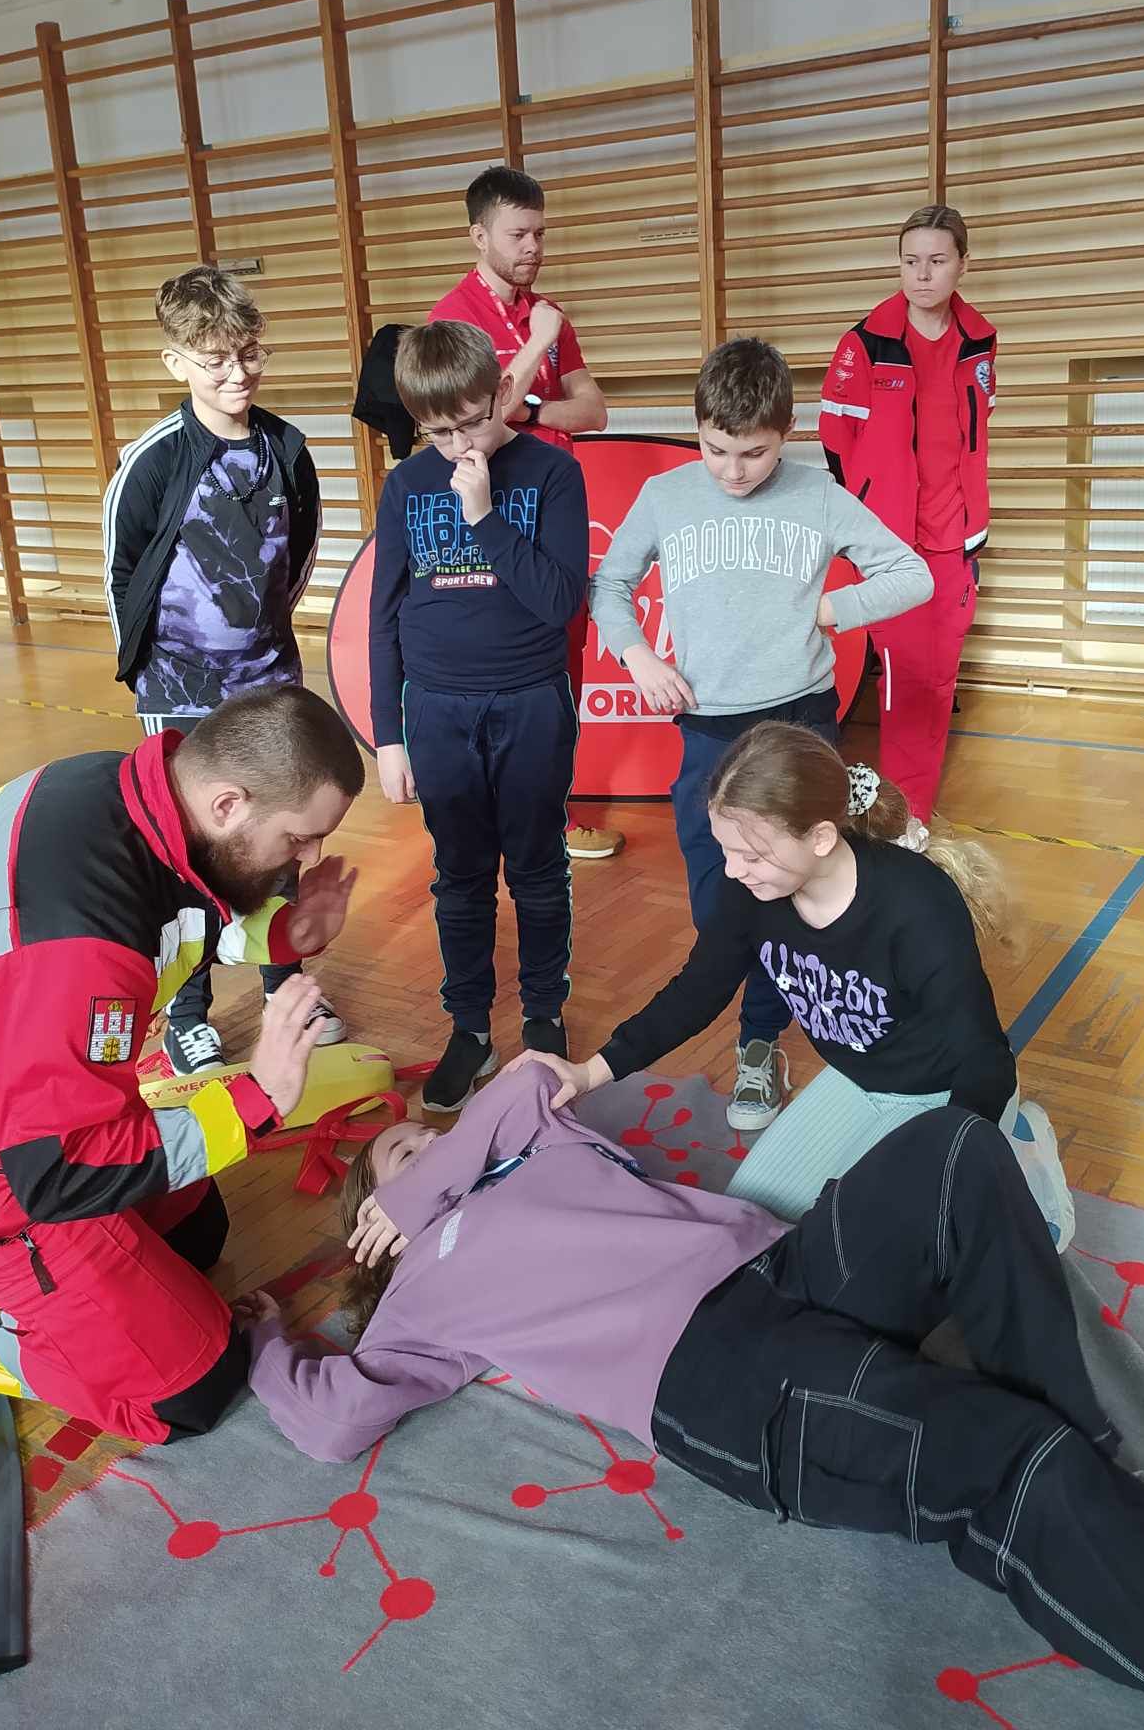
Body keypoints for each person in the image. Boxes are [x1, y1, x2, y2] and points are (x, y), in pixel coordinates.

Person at [243, 1062, 1144, 1730]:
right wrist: (256, 1343)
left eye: (427, 1136)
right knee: (1010, 1461)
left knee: (953, 1152)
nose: (428, 1148)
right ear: (370, 1229)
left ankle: (1100, 1462)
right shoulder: (417, 1301)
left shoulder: (517, 1142)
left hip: (780, 1263)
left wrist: (432, 1167)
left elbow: (526, 1079)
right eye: (399, 1159)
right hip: (720, 1377)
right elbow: (332, 1420)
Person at [0, 687, 364, 1443]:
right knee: (196, 1387)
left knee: (197, 1231)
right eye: (300, 838)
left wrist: (285, 935)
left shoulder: (132, 792)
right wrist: (259, 1096)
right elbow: (58, 1173)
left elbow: (178, 915)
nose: (308, 858)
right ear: (228, 804)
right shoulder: (83, 935)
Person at [510, 720, 1073, 1237]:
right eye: (726, 850)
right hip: (856, 1079)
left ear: (821, 838)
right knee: (751, 1225)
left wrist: (951, 1156)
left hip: (943, 1093)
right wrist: (588, 1072)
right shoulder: (751, 889)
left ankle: (1021, 1160)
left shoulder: (917, 904)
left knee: (884, 1249)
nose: (733, 870)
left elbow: (983, 1057)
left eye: (752, 856)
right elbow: (697, 991)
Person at [589, 338, 933, 1133]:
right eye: (717, 450)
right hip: (709, 733)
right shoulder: (668, 494)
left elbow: (912, 573)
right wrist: (637, 654)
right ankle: (740, 1010)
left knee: (788, 891)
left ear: (787, 434)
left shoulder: (818, 494)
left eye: (754, 453)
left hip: (799, 724)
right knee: (720, 899)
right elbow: (610, 582)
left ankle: (758, 1041)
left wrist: (834, 610)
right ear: (698, 428)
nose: (735, 471)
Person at [103, 265, 344, 1076]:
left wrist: (261, 641)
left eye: (249, 354)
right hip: (179, 690)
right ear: (176, 362)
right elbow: (122, 572)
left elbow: (299, 559)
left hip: (267, 680)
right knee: (188, 846)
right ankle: (187, 1010)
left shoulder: (287, 449)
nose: (237, 374)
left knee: (281, 839)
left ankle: (285, 990)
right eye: (215, 361)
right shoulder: (153, 460)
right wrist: (151, 672)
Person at [368, 322, 588, 1115]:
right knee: (459, 878)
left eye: (472, 421)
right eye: (440, 432)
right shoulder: (406, 485)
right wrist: (388, 735)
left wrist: (486, 515)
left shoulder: (552, 472)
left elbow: (560, 601)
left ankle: (543, 1018)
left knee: (537, 869)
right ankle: (469, 1028)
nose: (460, 444)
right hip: (437, 709)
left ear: (500, 394)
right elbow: (384, 614)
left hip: (530, 700)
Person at [430, 165, 622, 864]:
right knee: (502, 667)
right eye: (519, 234)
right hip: (489, 510)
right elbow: (479, 418)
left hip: (554, 504)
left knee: (560, 668)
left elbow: (593, 411)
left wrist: (533, 407)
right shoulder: (453, 318)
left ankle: (554, 821)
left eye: (540, 232)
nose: (534, 247)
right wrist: (538, 345)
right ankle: (494, 820)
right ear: (479, 236)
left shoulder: (547, 311)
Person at [819, 204, 997, 822]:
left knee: (937, 679)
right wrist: (868, 517)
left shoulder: (980, 341)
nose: (922, 274)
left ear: (962, 265)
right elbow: (836, 439)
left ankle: (913, 814)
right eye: (910, 261)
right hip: (890, 544)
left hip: (955, 540)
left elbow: (975, 434)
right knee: (901, 677)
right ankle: (897, 815)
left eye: (937, 261)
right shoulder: (865, 343)